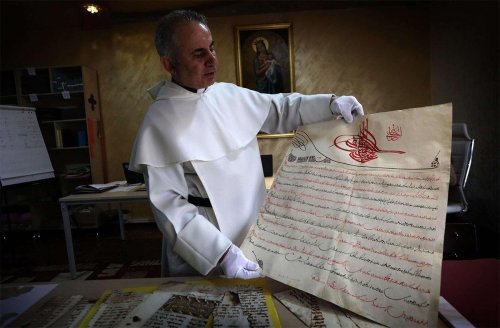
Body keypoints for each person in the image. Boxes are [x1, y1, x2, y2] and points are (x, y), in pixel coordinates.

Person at [129, 10, 364, 279]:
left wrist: (330, 104)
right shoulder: (159, 122)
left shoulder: (228, 94)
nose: (212, 60)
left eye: (212, 48)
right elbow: (168, 206)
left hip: (255, 224)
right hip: (206, 242)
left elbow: (281, 108)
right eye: (198, 53)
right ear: (169, 64)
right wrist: (220, 253)